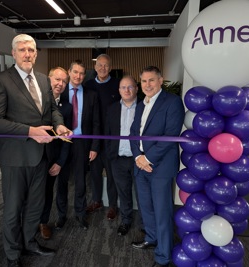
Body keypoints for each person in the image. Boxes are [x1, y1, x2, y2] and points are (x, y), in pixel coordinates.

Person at [0, 34, 72, 267]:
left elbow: (54, 110)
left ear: (36, 53)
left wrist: (59, 124)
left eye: (31, 50)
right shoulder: (1, 79)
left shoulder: (45, 80)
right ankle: (12, 255)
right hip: (15, 157)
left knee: (35, 207)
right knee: (14, 210)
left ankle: (29, 243)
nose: (27, 54)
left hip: (41, 157)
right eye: (23, 49)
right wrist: (29, 131)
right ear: (14, 53)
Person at [129, 66, 184, 267]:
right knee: (146, 207)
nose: (147, 85)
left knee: (162, 211)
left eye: (151, 80)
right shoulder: (142, 104)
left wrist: (148, 159)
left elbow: (170, 135)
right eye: (144, 81)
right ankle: (151, 239)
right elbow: (133, 132)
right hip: (140, 164)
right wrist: (138, 157)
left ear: (161, 80)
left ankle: (163, 255)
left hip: (160, 166)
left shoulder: (173, 102)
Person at [55, 60, 100, 231]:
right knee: (62, 181)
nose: (78, 76)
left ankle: (80, 215)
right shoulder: (60, 93)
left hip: (83, 142)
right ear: (69, 72)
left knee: (81, 181)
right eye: (75, 72)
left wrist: (94, 147)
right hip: (62, 142)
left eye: (81, 73)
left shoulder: (91, 95)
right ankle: (61, 216)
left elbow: (96, 123)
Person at [84, 54, 121, 220]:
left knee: (112, 174)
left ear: (111, 67)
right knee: (94, 172)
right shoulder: (88, 85)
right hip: (93, 138)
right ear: (95, 66)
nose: (102, 68)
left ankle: (113, 204)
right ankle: (96, 200)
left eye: (106, 65)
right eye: (99, 65)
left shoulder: (117, 85)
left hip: (112, 138)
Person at [39, 67, 72, 240]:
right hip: (34, 158)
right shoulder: (37, 100)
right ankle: (29, 223)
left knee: (47, 192)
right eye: (57, 79)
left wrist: (60, 162)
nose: (60, 84)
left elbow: (67, 138)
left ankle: (43, 222)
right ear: (48, 79)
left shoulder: (67, 107)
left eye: (64, 81)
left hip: (53, 159)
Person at [105, 75, 139, 236]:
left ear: (136, 89)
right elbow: (107, 133)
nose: (126, 90)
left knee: (142, 193)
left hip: (139, 160)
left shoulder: (143, 107)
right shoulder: (112, 108)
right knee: (124, 193)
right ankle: (126, 221)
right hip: (117, 159)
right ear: (119, 90)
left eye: (130, 87)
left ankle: (147, 225)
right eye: (123, 87)